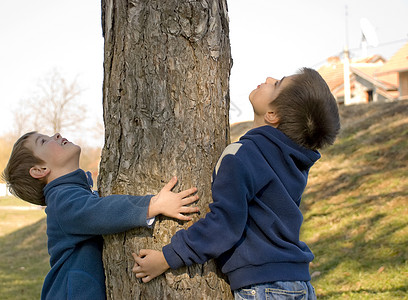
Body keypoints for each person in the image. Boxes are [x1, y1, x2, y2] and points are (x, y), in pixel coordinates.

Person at [132, 67, 341, 299]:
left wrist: (166, 258)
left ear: (272, 114)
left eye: (277, 84)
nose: (269, 78)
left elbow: (224, 224)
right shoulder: (291, 161)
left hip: (264, 286)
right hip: (299, 283)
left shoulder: (241, 155)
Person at [2, 131, 200, 300]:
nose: (56, 135)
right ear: (40, 170)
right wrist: (153, 204)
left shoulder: (72, 192)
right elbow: (99, 212)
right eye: (44, 141)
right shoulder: (61, 201)